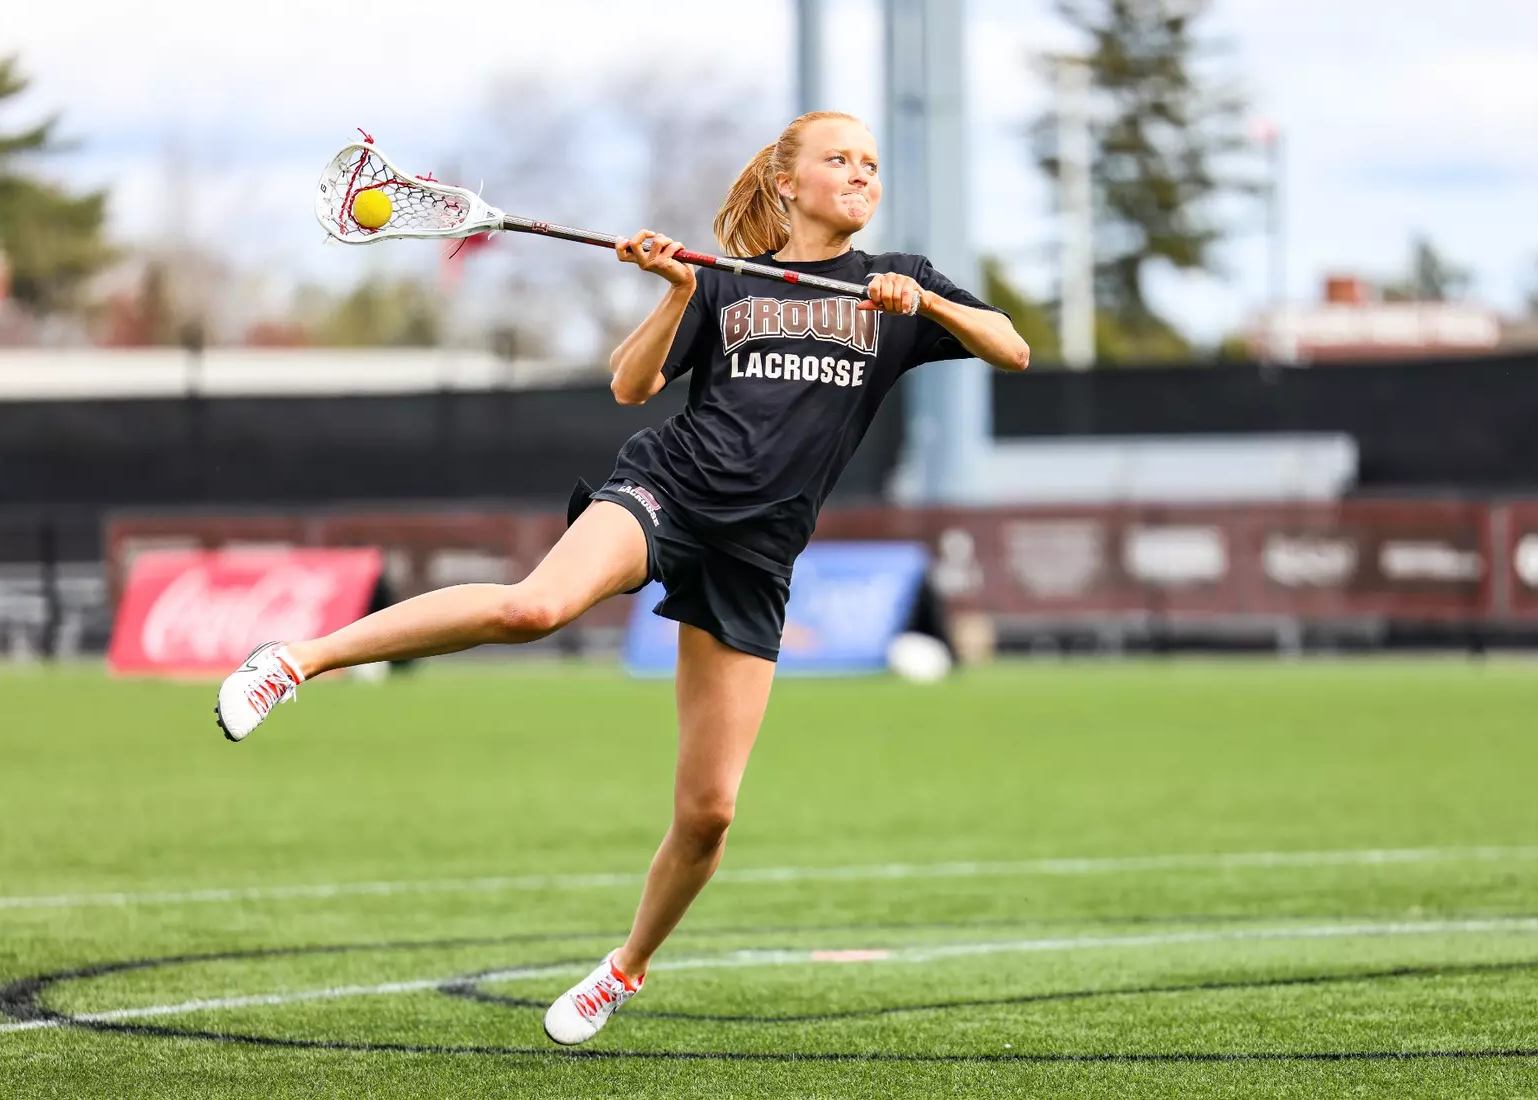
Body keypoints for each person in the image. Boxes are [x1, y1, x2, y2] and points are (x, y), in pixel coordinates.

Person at [214, 110, 1029, 1045]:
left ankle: (623, 969)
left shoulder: (902, 289)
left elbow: (1012, 346)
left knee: (710, 815)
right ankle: (294, 662)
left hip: (758, 555)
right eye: (838, 160)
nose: (860, 175)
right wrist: (677, 290)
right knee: (534, 606)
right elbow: (631, 387)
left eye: (871, 164)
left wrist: (925, 307)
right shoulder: (724, 281)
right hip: (667, 491)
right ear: (786, 183)